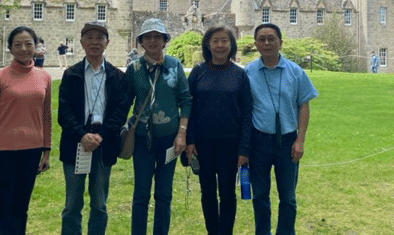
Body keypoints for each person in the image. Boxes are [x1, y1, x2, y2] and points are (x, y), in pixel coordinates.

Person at [58, 21, 131, 235]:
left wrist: (100, 135)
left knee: (99, 204)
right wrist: (82, 135)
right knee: (72, 203)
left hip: (104, 142)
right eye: (89, 38)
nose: (94, 42)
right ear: (81, 43)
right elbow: (64, 111)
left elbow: (120, 111)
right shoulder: (71, 74)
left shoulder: (117, 76)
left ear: (107, 42)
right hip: (75, 143)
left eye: (99, 38)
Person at [245, 23, 318, 235]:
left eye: (271, 38)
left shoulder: (296, 72)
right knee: (260, 196)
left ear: (280, 42)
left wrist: (300, 140)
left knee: (288, 197)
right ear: (256, 44)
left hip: (288, 141)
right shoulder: (248, 73)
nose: (267, 43)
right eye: (262, 39)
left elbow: (303, 105)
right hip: (259, 141)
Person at [122, 18, 192, 235]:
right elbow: (123, 102)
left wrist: (181, 135)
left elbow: (186, 100)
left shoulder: (175, 65)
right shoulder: (134, 69)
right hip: (142, 140)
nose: (153, 41)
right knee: (141, 193)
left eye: (157, 36)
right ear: (141, 42)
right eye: (148, 37)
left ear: (164, 41)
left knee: (164, 194)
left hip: (169, 140)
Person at [0, 26, 52, 235]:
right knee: (2, 209)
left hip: (31, 152)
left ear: (36, 46)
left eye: (29, 44)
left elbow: (46, 115)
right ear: (10, 48)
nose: (23, 48)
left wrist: (46, 151)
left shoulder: (44, 77)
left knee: (21, 209)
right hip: (2, 153)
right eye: (18, 44)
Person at [186, 26, 252, 235]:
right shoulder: (198, 72)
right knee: (207, 193)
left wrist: (244, 149)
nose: (220, 45)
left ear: (231, 45)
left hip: (230, 144)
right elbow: (189, 109)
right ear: (208, 44)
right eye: (215, 41)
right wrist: (189, 141)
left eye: (225, 41)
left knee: (227, 193)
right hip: (202, 144)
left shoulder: (240, 75)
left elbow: (247, 113)